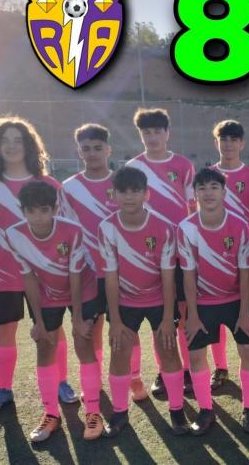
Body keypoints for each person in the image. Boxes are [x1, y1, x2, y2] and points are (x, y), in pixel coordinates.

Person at [0, 116, 73, 414]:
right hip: (1, 272)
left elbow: (61, 228)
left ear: (29, 145)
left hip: (46, 275)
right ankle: (3, 389)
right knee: (4, 330)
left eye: (18, 140)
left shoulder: (50, 185)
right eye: (4, 141)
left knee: (52, 329)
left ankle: (61, 382)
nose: (11, 146)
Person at [6, 181, 105, 442]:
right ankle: (51, 414)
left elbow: (75, 275)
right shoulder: (14, 234)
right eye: (31, 211)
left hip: (82, 289)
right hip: (48, 293)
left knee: (83, 342)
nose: (38, 217)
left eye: (44, 210)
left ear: (54, 209)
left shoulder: (72, 230)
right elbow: (28, 278)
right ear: (22, 211)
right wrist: (38, 321)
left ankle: (93, 412)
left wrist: (77, 319)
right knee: (44, 345)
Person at [58, 124, 148, 401]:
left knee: (127, 329)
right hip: (88, 273)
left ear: (108, 149)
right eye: (86, 149)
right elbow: (66, 230)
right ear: (79, 152)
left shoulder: (122, 183)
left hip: (123, 273)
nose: (92, 153)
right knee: (91, 329)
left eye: (98, 148)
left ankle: (135, 378)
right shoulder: (69, 187)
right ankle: (94, 382)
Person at [99, 167, 189, 437]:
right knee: (119, 351)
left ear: (146, 194)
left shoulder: (164, 227)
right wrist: (115, 320)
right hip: (125, 301)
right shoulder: (107, 227)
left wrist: (168, 318)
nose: (129, 197)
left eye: (135, 191)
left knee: (169, 350)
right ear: (114, 195)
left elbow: (168, 276)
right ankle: (119, 412)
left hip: (159, 299)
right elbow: (111, 277)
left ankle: (177, 410)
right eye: (123, 191)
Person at [179, 168, 249, 434]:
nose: (208, 193)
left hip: (236, 301)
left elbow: (245, 273)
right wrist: (192, 315)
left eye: (214, 187)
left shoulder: (240, 225)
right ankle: (206, 410)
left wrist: (245, 312)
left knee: (247, 351)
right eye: (201, 188)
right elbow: (188, 275)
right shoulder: (186, 227)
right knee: (196, 356)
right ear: (194, 194)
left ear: (224, 192)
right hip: (203, 303)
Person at [126, 108, 196, 397]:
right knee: (159, 318)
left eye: (157, 131)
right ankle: (165, 370)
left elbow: (193, 209)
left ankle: (189, 369)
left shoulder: (183, 165)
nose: (152, 137)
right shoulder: (133, 168)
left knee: (184, 313)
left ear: (167, 133)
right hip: (145, 258)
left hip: (179, 253)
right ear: (140, 135)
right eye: (146, 132)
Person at [207, 119, 249, 390]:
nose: (228, 145)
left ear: (242, 144)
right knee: (214, 315)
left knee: (248, 315)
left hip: (245, 259)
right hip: (212, 260)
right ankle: (220, 368)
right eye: (223, 139)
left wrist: (244, 237)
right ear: (216, 142)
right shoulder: (207, 175)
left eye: (233, 139)